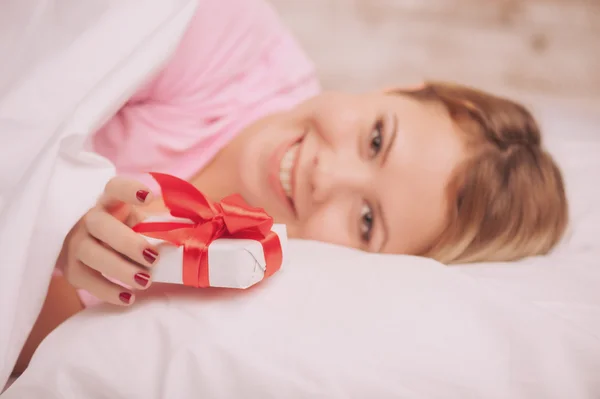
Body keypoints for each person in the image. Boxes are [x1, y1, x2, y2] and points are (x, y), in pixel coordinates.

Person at [13, 0, 568, 374]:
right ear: (400, 88)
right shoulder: (221, 33)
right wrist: (53, 223)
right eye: (376, 139)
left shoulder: (241, 299)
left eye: (367, 221)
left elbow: (53, 366)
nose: (328, 177)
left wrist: (51, 249)